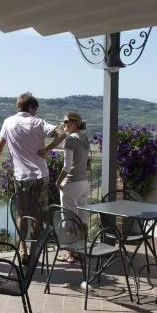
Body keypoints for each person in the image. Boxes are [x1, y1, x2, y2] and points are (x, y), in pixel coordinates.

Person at [0, 93, 64, 262]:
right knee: (38, 216)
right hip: (40, 176)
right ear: (32, 108)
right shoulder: (38, 122)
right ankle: (34, 252)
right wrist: (48, 149)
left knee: (21, 214)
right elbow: (61, 133)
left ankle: (23, 250)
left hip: (21, 176)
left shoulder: (8, 122)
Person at [55, 111, 91, 263]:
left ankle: (70, 254)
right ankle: (82, 251)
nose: (64, 125)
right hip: (84, 183)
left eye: (66, 122)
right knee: (82, 218)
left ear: (74, 123)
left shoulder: (70, 140)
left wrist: (57, 182)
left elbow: (67, 165)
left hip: (71, 184)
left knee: (69, 219)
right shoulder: (85, 138)